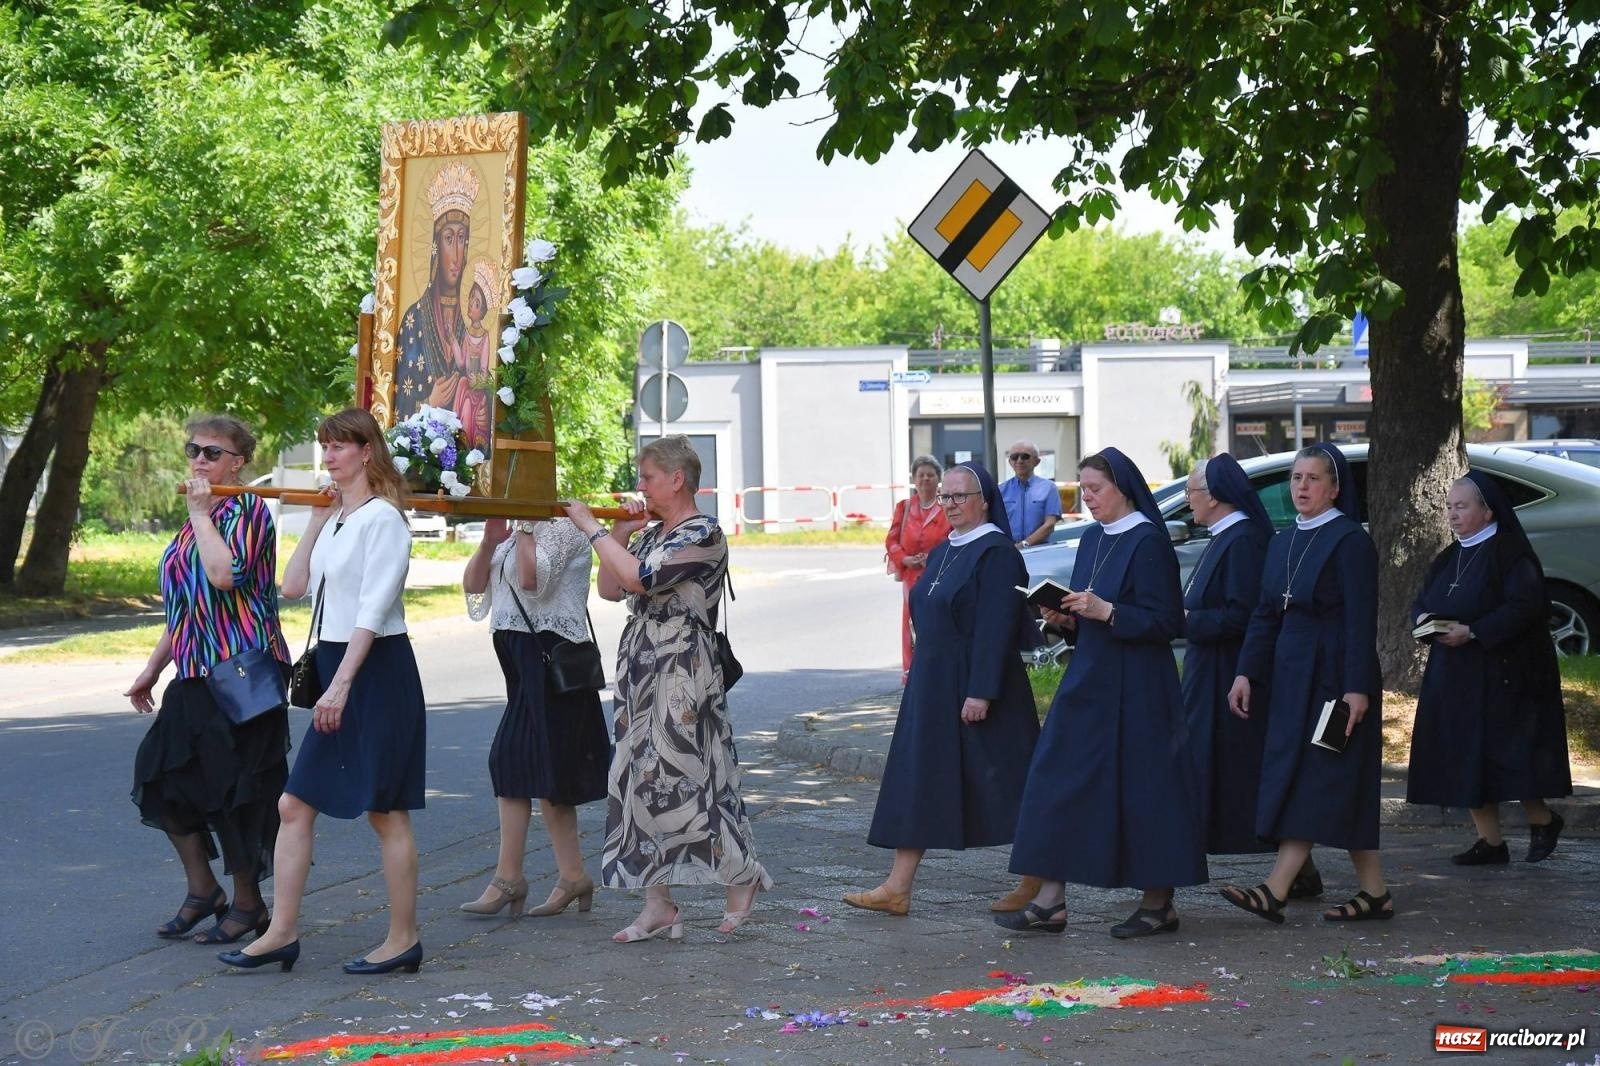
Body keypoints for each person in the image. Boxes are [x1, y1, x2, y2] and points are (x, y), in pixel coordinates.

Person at [220, 408, 427, 974]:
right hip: (341, 663)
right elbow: (292, 587)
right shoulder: (342, 518)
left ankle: (403, 938)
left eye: (340, 446)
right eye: (325, 446)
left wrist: (339, 687)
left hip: (375, 668)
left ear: (367, 452)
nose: (330, 456)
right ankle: (281, 933)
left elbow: (373, 610)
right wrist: (316, 518)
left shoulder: (384, 519)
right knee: (293, 803)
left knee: (385, 810)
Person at [563, 435, 770, 943]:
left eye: (649, 477)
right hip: (641, 665)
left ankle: (741, 878)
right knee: (636, 779)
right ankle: (658, 904)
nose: (642, 487)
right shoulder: (654, 533)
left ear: (677, 479)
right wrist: (619, 529)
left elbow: (640, 580)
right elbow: (611, 589)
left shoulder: (703, 532)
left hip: (683, 667)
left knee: (696, 776)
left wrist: (590, 528)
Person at [1004, 448, 1207, 939]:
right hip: (1090, 679)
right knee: (1054, 776)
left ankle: (1159, 903)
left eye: (1095, 489)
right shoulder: (1093, 538)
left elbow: (1166, 622)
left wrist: (1109, 612)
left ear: (1123, 488)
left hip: (1140, 686)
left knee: (1146, 791)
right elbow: (1089, 612)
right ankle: (1051, 900)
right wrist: (1068, 619)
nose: (1088, 498)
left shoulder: (1149, 543)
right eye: (1085, 489)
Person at [844, 463, 1041, 917]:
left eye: (959, 496)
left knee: (1012, 784)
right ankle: (898, 887)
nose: (950, 505)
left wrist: (982, 691)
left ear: (983, 500)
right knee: (918, 780)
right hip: (933, 685)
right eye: (945, 497)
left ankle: (1042, 880)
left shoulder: (996, 552)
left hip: (980, 687)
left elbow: (997, 627)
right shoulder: (946, 549)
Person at [127, 415, 291, 946]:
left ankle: (249, 903)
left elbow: (224, 576)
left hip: (242, 672)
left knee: (236, 791)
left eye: (213, 453)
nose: (200, 459)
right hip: (195, 669)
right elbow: (187, 607)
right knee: (161, 777)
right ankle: (204, 890)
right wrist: (154, 667)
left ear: (239, 463)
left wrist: (200, 515)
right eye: (193, 449)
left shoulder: (247, 511)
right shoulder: (194, 521)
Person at [1220, 443, 1391, 924]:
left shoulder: (1351, 542)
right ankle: (1375, 894)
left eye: (1313, 479)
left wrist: (1357, 687)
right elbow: (1264, 614)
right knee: (1334, 781)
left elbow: (1362, 620)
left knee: (1316, 775)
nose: (1302, 487)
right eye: (1296, 478)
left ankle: (1275, 889)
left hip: (1336, 679)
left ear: (1335, 488)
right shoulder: (1281, 542)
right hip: (1291, 678)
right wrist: (1246, 672)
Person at [1406, 472, 1572, 864]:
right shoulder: (1450, 555)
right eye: (1449, 506)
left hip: (1503, 670)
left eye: (1461, 506)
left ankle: (1543, 818)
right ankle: (1491, 842)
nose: (1452, 514)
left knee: (1509, 754)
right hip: (1455, 671)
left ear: (1487, 509)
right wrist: (1426, 620)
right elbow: (1422, 600)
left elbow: (1526, 607)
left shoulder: (1511, 553)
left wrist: (1476, 631)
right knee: (1464, 754)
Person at [459, 515, 612, 918]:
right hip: (520, 663)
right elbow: (475, 587)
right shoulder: (511, 534)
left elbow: (532, 581)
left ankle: (508, 879)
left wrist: (526, 528)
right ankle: (572, 876)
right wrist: (490, 541)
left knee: (517, 761)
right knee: (541, 771)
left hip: (552, 666)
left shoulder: (561, 528)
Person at [395, 160, 482, 423]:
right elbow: (395, 403)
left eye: (462, 239)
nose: (457, 254)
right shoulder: (413, 320)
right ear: (435, 246)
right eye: (449, 238)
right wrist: (428, 403)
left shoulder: (473, 323)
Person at [885, 455, 951, 684]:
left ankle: (937, 672)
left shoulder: (946, 507)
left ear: (938, 480)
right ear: (913, 479)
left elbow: (953, 539)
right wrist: (904, 559)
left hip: (939, 575)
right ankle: (911, 674)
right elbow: (891, 540)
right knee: (910, 624)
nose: (925, 479)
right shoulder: (904, 508)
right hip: (911, 577)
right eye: (920, 475)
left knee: (937, 622)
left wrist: (932, 558)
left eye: (930, 475)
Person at [998, 440, 1061, 549]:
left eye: (1025, 456)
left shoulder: (1049, 488)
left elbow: (1050, 525)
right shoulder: (1000, 490)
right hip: (1009, 551)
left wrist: (1024, 544)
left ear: (1037, 461)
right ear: (1010, 462)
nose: (1019, 460)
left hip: (1039, 552)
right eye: (1014, 457)